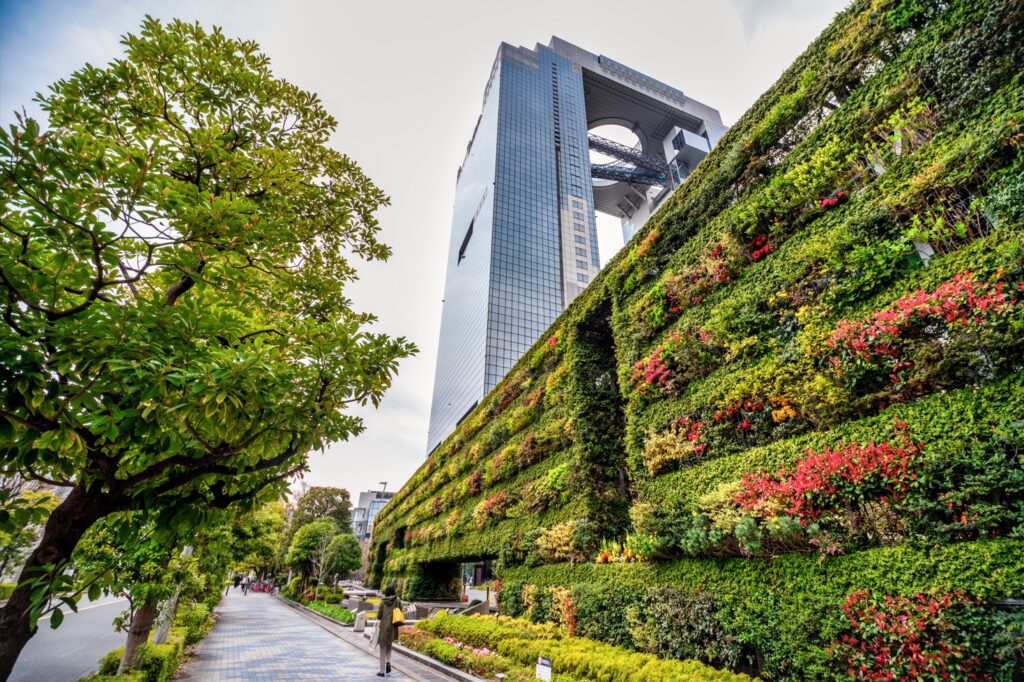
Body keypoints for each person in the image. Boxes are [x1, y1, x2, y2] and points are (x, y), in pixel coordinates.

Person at [375, 585, 402, 677]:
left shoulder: (383, 601)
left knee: (382, 648)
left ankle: (382, 671)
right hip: (393, 626)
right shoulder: (397, 600)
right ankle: (388, 663)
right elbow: (400, 611)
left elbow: (379, 616)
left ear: (386, 592)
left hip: (384, 627)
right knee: (389, 646)